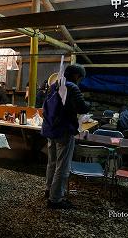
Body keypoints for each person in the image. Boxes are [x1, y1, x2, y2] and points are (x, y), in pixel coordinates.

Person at [41, 64, 90, 209]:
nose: (80, 80)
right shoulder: (72, 87)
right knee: (62, 166)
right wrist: (88, 104)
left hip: (50, 129)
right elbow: (82, 107)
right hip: (64, 130)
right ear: (76, 76)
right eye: (80, 78)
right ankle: (55, 199)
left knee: (52, 162)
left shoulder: (55, 85)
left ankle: (49, 190)